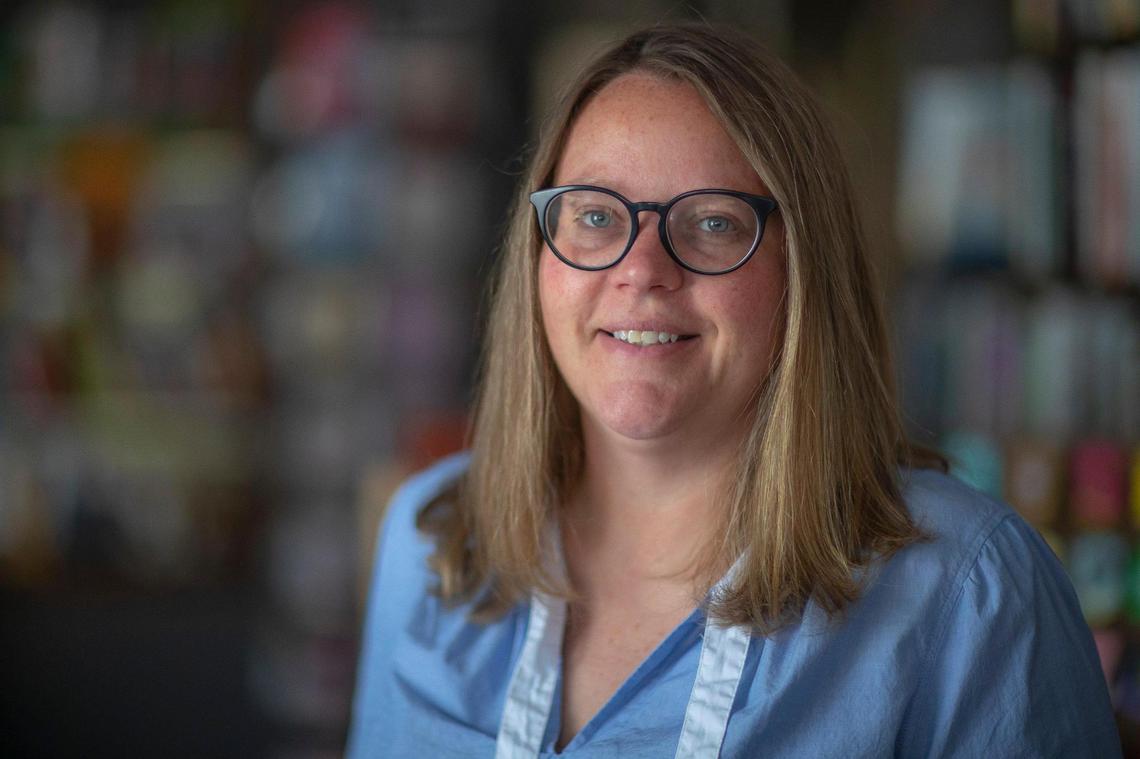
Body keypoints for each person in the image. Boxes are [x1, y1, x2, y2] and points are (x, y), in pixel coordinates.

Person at [347, 23, 1120, 758]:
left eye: (712, 224)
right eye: (592, 215)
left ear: (804, 272)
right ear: (536, 257)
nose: (642, 269)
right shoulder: (430, 546)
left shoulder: (971, 592)